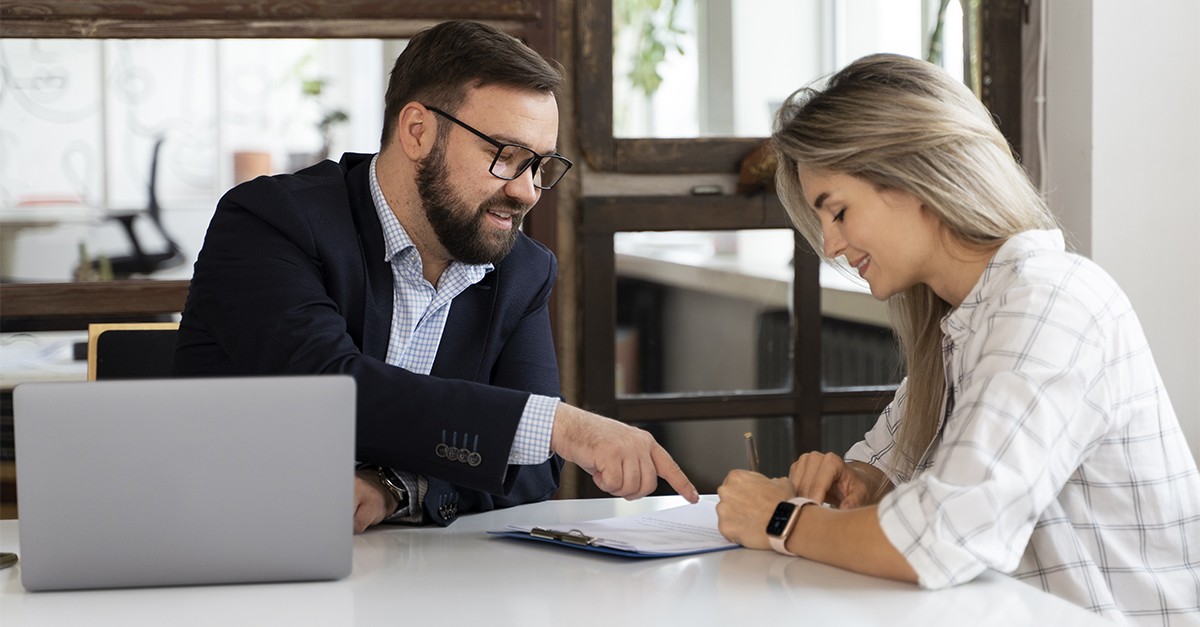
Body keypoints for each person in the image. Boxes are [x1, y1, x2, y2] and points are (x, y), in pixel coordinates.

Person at [716, 53, 1199, 625]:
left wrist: (783, 522)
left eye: (839, 212)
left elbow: (944, 535)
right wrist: (860, 485)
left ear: (914, 177)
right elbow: (882, 469)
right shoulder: (961, 325)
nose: (832, 246)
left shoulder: (1049, 304)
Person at [173, 20, 698, 533]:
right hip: (227, 543)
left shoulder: (521, 269)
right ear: (418, 131)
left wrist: (397, 488)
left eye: (539, 165)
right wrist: (558, 424)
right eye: (506, 156)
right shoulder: (271, 220)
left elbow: (536, 469)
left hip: (412, 578)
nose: (527, 191)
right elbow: (327, 390)